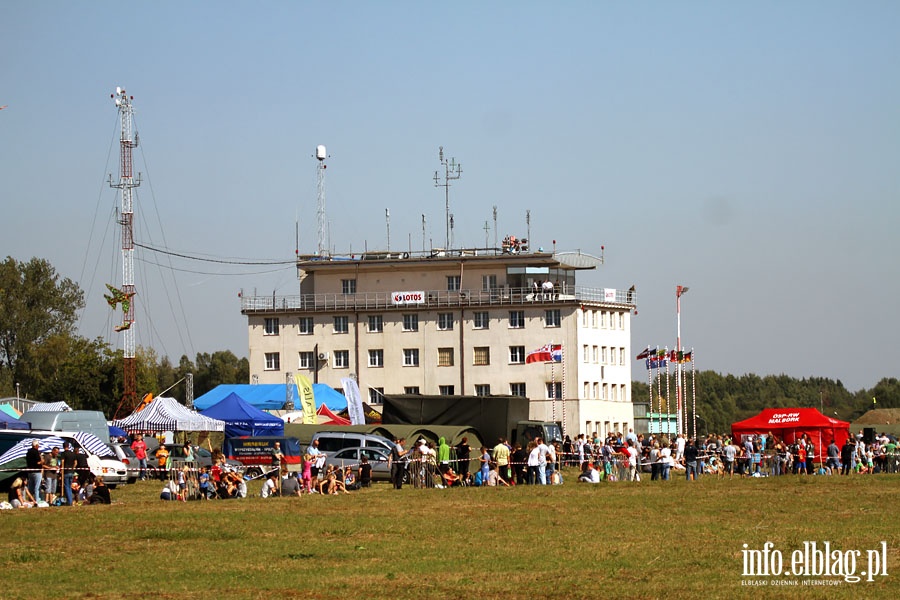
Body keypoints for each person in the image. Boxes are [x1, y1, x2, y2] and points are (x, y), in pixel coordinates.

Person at [60, 441, 77, 506]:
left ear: (63, 447)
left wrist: (61, 469)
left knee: (67, 487)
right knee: (69, 486)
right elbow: (75, 463)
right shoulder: (72, 454)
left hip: (66, 472)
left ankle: (70, 502)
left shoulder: (63, 454)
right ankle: (71, 500)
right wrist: (73, 468)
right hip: (71, 472)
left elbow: (62, 461)